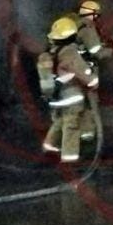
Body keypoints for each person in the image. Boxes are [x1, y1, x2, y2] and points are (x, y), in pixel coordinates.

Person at [39, 16, 97, 162]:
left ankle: (49, 145)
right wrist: (92, 80)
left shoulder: (49, 54)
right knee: (72, 125)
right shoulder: (70, 53)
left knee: (59, 121)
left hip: (55, 97)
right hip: (70, 96)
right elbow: (80, 70)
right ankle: (69, 158)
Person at [74, 0, 113, 142]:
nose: (98, 18)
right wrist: (112, 50)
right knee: (90, 101)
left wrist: (110, 42)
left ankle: (74, 132)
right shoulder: (87, 28)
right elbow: (96, 51)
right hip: (85, 69)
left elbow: (92, 44)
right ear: (92, 14)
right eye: (96, 15)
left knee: (78, 101)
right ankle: (88, 133)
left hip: (72, 68)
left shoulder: (76, 25)